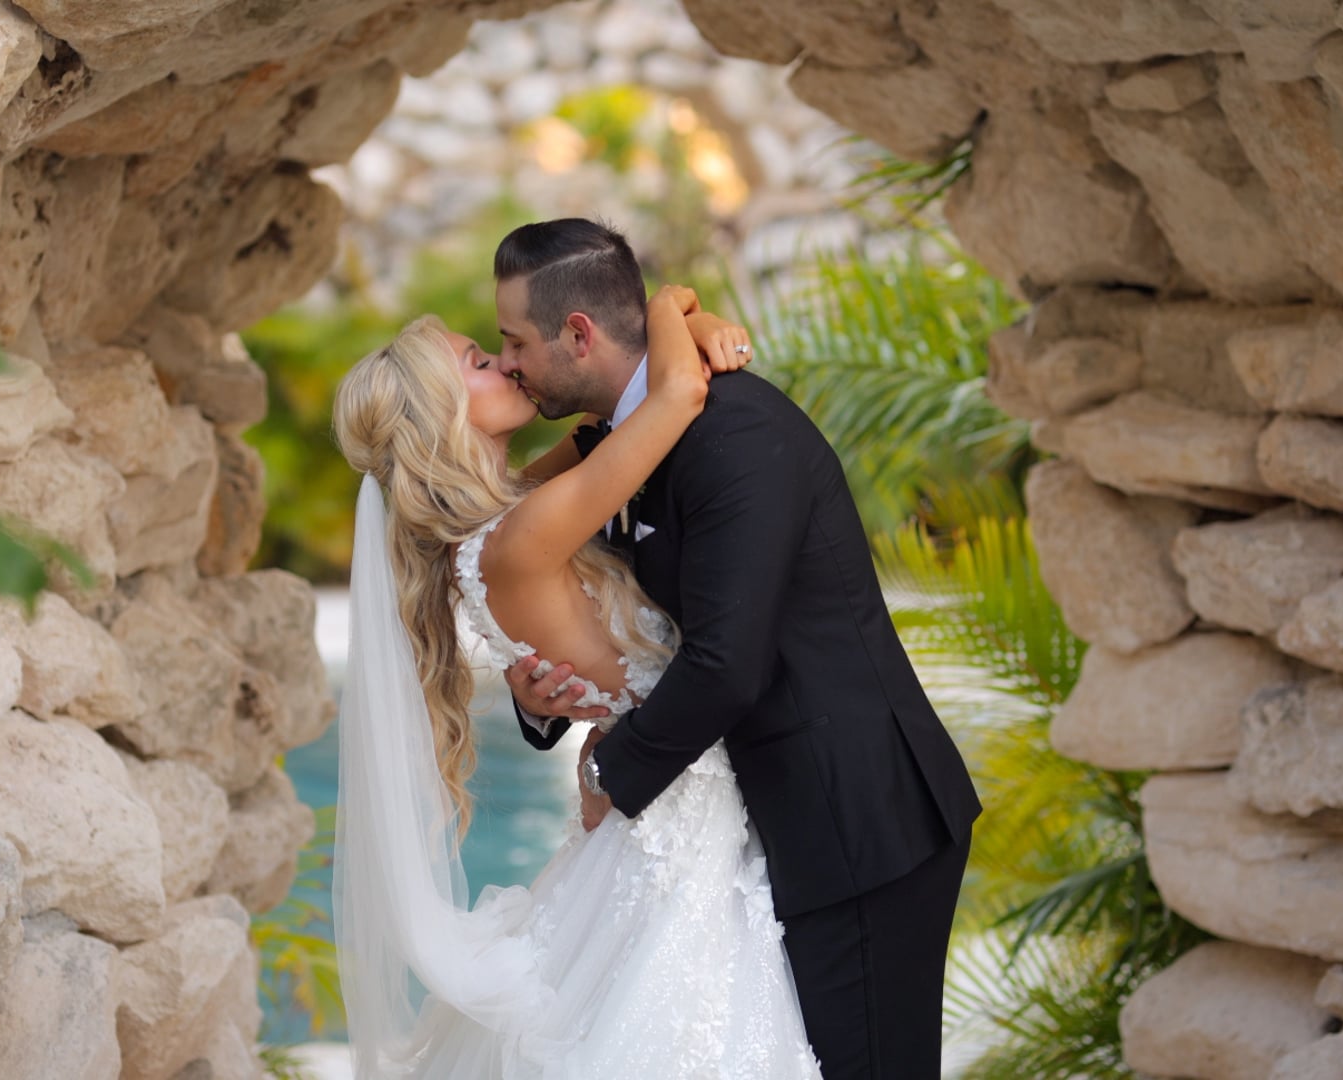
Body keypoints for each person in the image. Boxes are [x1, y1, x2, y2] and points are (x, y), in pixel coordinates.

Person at [497, 219, 982, 1079]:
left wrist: (613, 776)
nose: (510, 365)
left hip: (856, 823)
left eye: (516, 342)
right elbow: (599, 613)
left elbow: (727, 660)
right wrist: (539, 703)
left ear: (578, 335)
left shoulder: (734, 435)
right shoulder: (623, 437)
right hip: (763, 823)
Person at [331, 279, 821, 1078]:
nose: (510, 367)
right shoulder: (520, 535)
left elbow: (604, 421)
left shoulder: (506, 519)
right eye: (482, 361)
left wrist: (701, 322)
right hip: (679, 813)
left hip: (657, 804)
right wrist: (673, 305)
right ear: (445, 416)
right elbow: (671, 400)